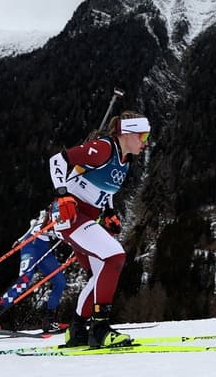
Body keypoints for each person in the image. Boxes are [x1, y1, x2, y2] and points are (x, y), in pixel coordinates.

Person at [48, 111, 150, 347]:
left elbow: (106, 189)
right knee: (115, 256)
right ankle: (100, 329)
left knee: (101, 273)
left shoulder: (125, 160)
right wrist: (62, 196)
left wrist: (111, 212)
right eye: (142, 136)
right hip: (71, 215)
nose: (145, 142)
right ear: (127, 133)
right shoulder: (104, 148)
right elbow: (57, 160)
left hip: (87, 217)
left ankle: (77, 330)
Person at [0, 211, 67, 333]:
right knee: (24, 280)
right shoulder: (59, 206)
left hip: (44, 248)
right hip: (31, 245)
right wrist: (21, 240)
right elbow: (37, 224)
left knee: (60, 282)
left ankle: (49, 320)